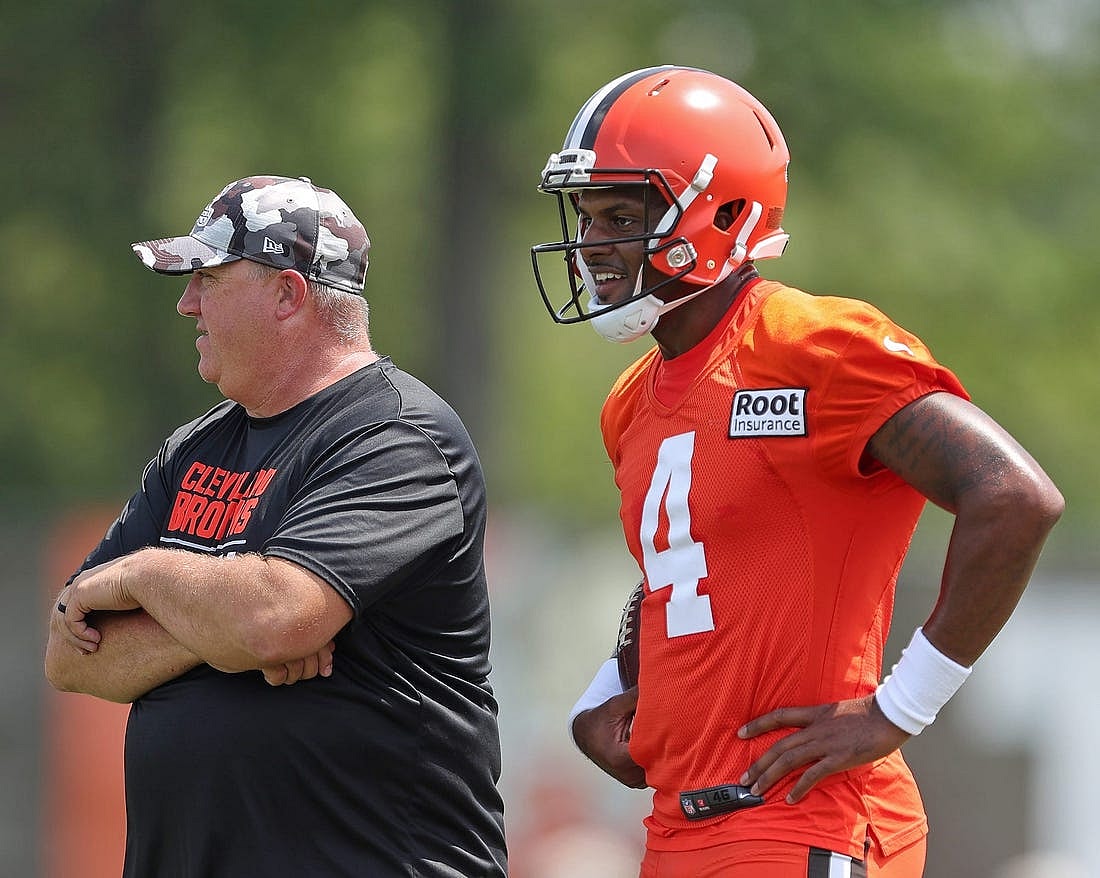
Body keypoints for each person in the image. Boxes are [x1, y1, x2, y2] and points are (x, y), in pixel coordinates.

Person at [530, 66, 1064, 877]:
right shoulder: (632, 401)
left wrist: (900, 707)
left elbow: (1014, 497)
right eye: (586, 215)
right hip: (677, 826)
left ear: (726, 213)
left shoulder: (813, 346)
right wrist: (602, 694)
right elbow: (687, 571)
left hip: (804, 817)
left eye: (622, 216)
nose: (592, 242)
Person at [45, 175, 508, 877]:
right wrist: (221, 629)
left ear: (288, 295)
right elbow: (72, 655)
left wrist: (143, 575)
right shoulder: (194, 448)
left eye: (209, 279)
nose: (187, 303)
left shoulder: (398, 437)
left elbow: (272, 621)